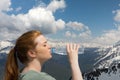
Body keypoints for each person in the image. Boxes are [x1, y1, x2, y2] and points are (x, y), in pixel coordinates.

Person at [4, 30, 83, 80]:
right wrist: (74, 62)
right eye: (44, 45)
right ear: (32, 53)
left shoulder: (24, 74)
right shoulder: (38, 78)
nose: (50, 46)